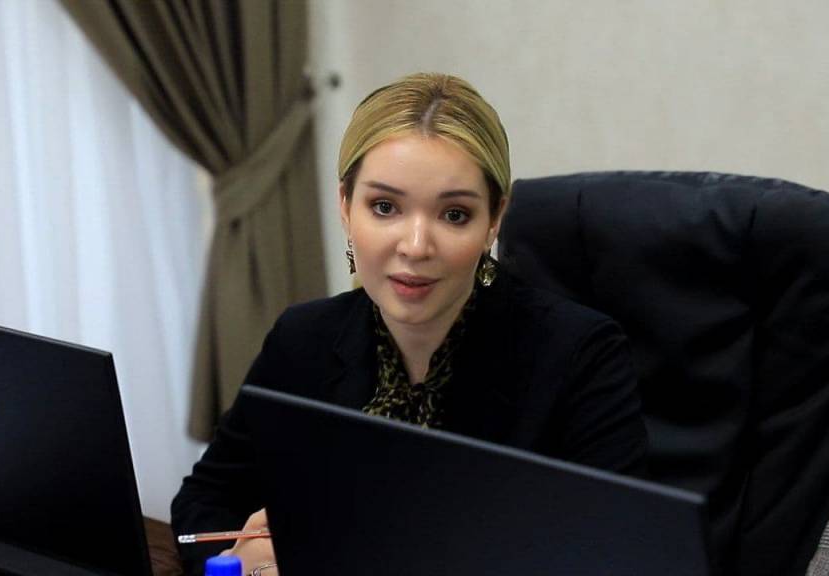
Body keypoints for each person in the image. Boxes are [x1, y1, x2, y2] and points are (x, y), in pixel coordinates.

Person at [171, 73, 648, 576]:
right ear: (345, 207)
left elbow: (616, 553)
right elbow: (205, 502)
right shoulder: (303, 337)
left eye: (455, 214)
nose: (416, 246)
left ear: (495, 219)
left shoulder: (580, 355)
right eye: (385, 207)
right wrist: (237, 560)